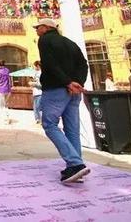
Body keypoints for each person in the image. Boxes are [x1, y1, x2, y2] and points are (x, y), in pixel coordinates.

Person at [33, 18, 90, 183]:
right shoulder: (69, 42)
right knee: (72, 129)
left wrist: (66, 82)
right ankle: (75, 168)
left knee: (49, 125)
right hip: (73, 91)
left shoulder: (44, 40)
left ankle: (75, 163)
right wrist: (77, 82)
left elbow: (50, 64)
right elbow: (83, 64)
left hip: (56, 89)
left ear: (46, 28)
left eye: (38, 27)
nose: (36, 31)